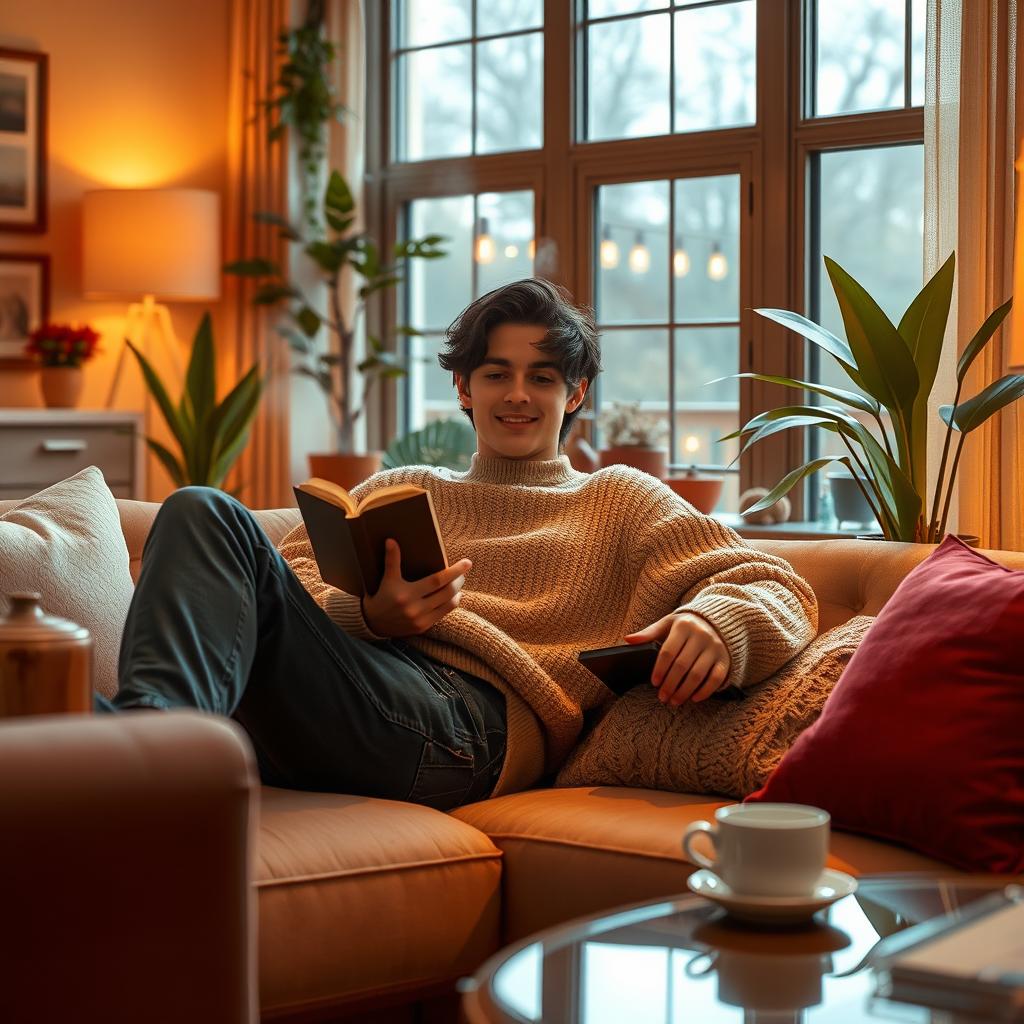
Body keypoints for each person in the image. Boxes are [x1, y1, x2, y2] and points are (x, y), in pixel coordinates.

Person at [99, 278, 817, 809]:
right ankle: (146, 753)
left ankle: (129, 763)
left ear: (575, 394)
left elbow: (777, 584)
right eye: (496, 374)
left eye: (542, 378)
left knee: (197, 525)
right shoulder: (405, 486)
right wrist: (368, 616)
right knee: (198, 508)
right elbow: (283, 587)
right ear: (464, 388)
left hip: (468, 730)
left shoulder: (619, 498)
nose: (517, 395)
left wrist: (717, 623)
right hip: (350, 698)